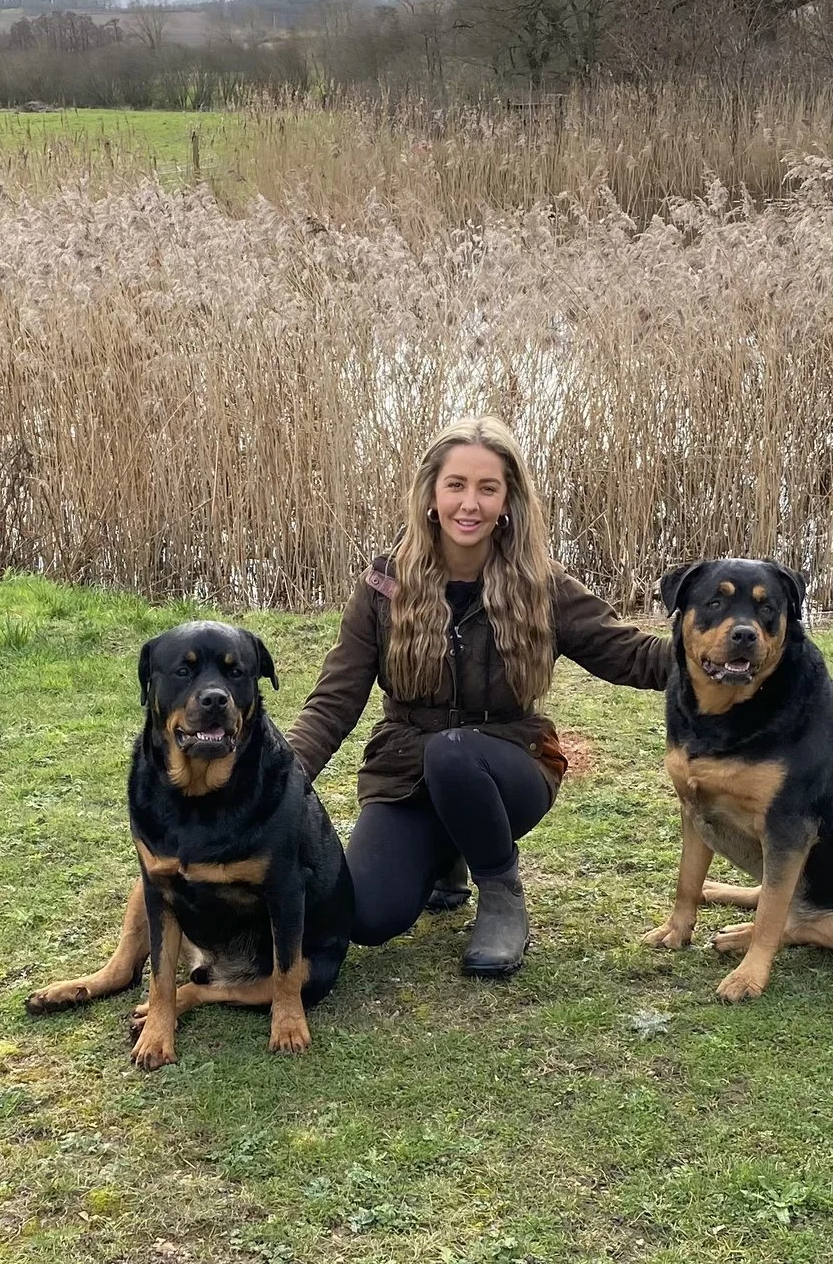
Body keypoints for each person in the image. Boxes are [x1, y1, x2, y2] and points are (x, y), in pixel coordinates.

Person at [286, 417, 673, 977]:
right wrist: (281, 777)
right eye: (456, 485)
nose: (470, 503)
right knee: (367, 916)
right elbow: (334, 701)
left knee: (454, 753)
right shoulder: (384, 586)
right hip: (406, 769)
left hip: (510, 765)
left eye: (487, 488)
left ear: (507, 501)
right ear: (431, 495)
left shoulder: (542, 585)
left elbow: (631, 655)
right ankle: (447, 853)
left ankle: (501, 894)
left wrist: (713, 656)